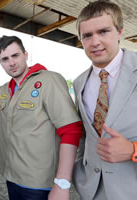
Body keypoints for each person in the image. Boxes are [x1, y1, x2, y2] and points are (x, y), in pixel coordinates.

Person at [0, 35, 83, 200]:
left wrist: (62, 183)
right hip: (11, 177)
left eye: (15, 55)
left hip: (38, 183)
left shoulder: (49, 80)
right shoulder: (5, 90)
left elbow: (71, 130)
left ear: (25, 54)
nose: (11, 63)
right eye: (5, 59)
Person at [72, 1, 137, 199]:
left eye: (103, 31)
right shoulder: (79, 82)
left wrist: (133, 150)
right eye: (87, 35)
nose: (95, 42)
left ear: (119, 32)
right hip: (91, 190)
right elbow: (83, 136)